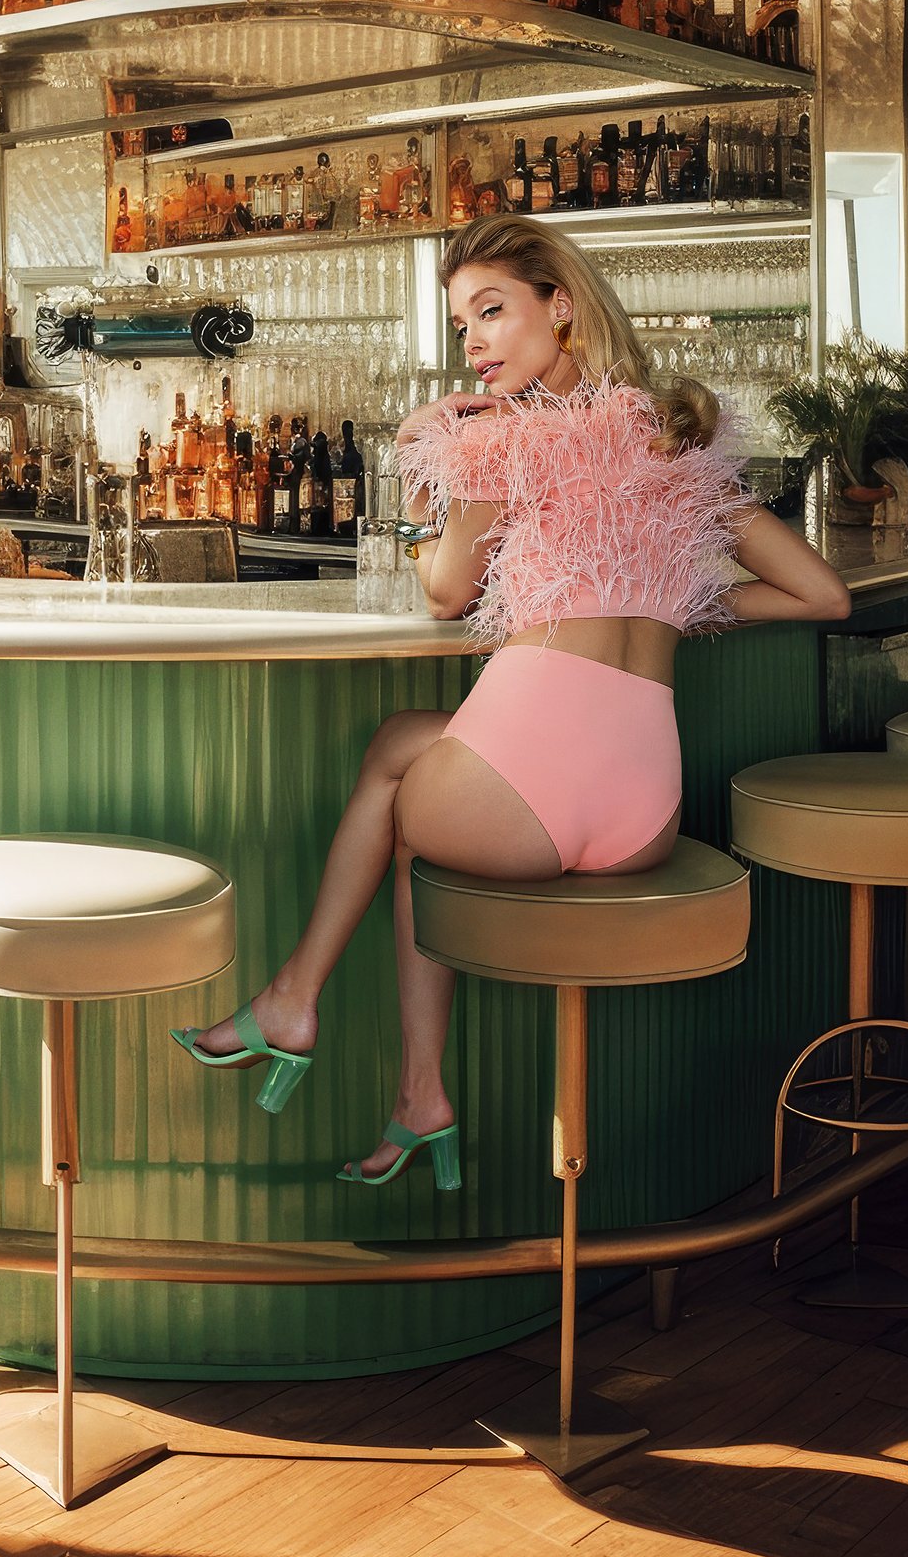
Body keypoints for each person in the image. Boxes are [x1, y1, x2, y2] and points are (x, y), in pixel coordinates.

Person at [175, 214, 850, 1181]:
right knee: (412, 749)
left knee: (400, 785)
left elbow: (448, 594)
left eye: (493, 311)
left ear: (561, 307)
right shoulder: (674, 436)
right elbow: (822, 594)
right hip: (643, 815)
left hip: (522, 803)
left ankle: (307, 1008)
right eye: (461, 327)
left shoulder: (499, 441)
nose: (477, 342)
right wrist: (670, 602)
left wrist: (424, 480)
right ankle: (403, 1087)